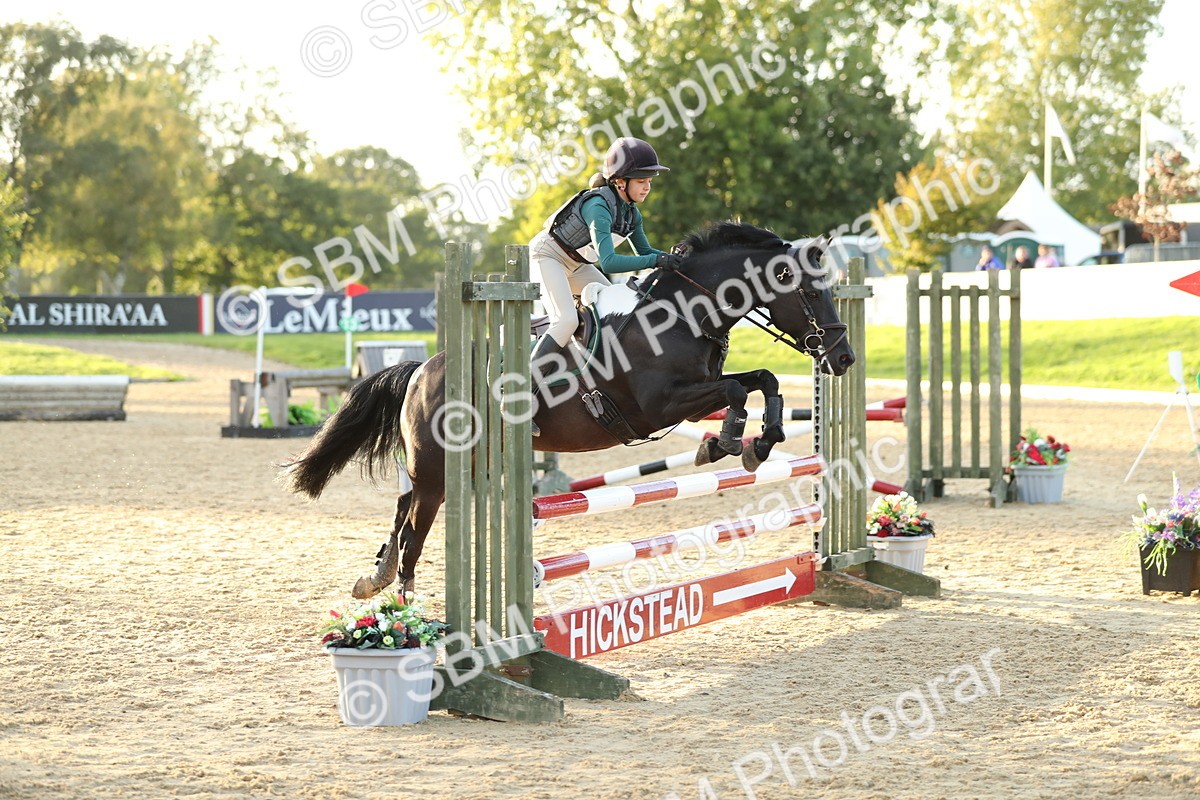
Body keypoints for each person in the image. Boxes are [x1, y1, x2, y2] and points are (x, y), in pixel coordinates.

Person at [526, 137, 681, 433]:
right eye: (642, 180)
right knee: (566, 320)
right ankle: (518, 397)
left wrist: (672, 259)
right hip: (548, 256)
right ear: (620, 182)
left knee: (613, 302)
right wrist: (656, 261)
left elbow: (646, 254)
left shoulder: (632, 213)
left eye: (650, 180)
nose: (647, 187)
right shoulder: (598, 204)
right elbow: (609, 263)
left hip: (576, 264)